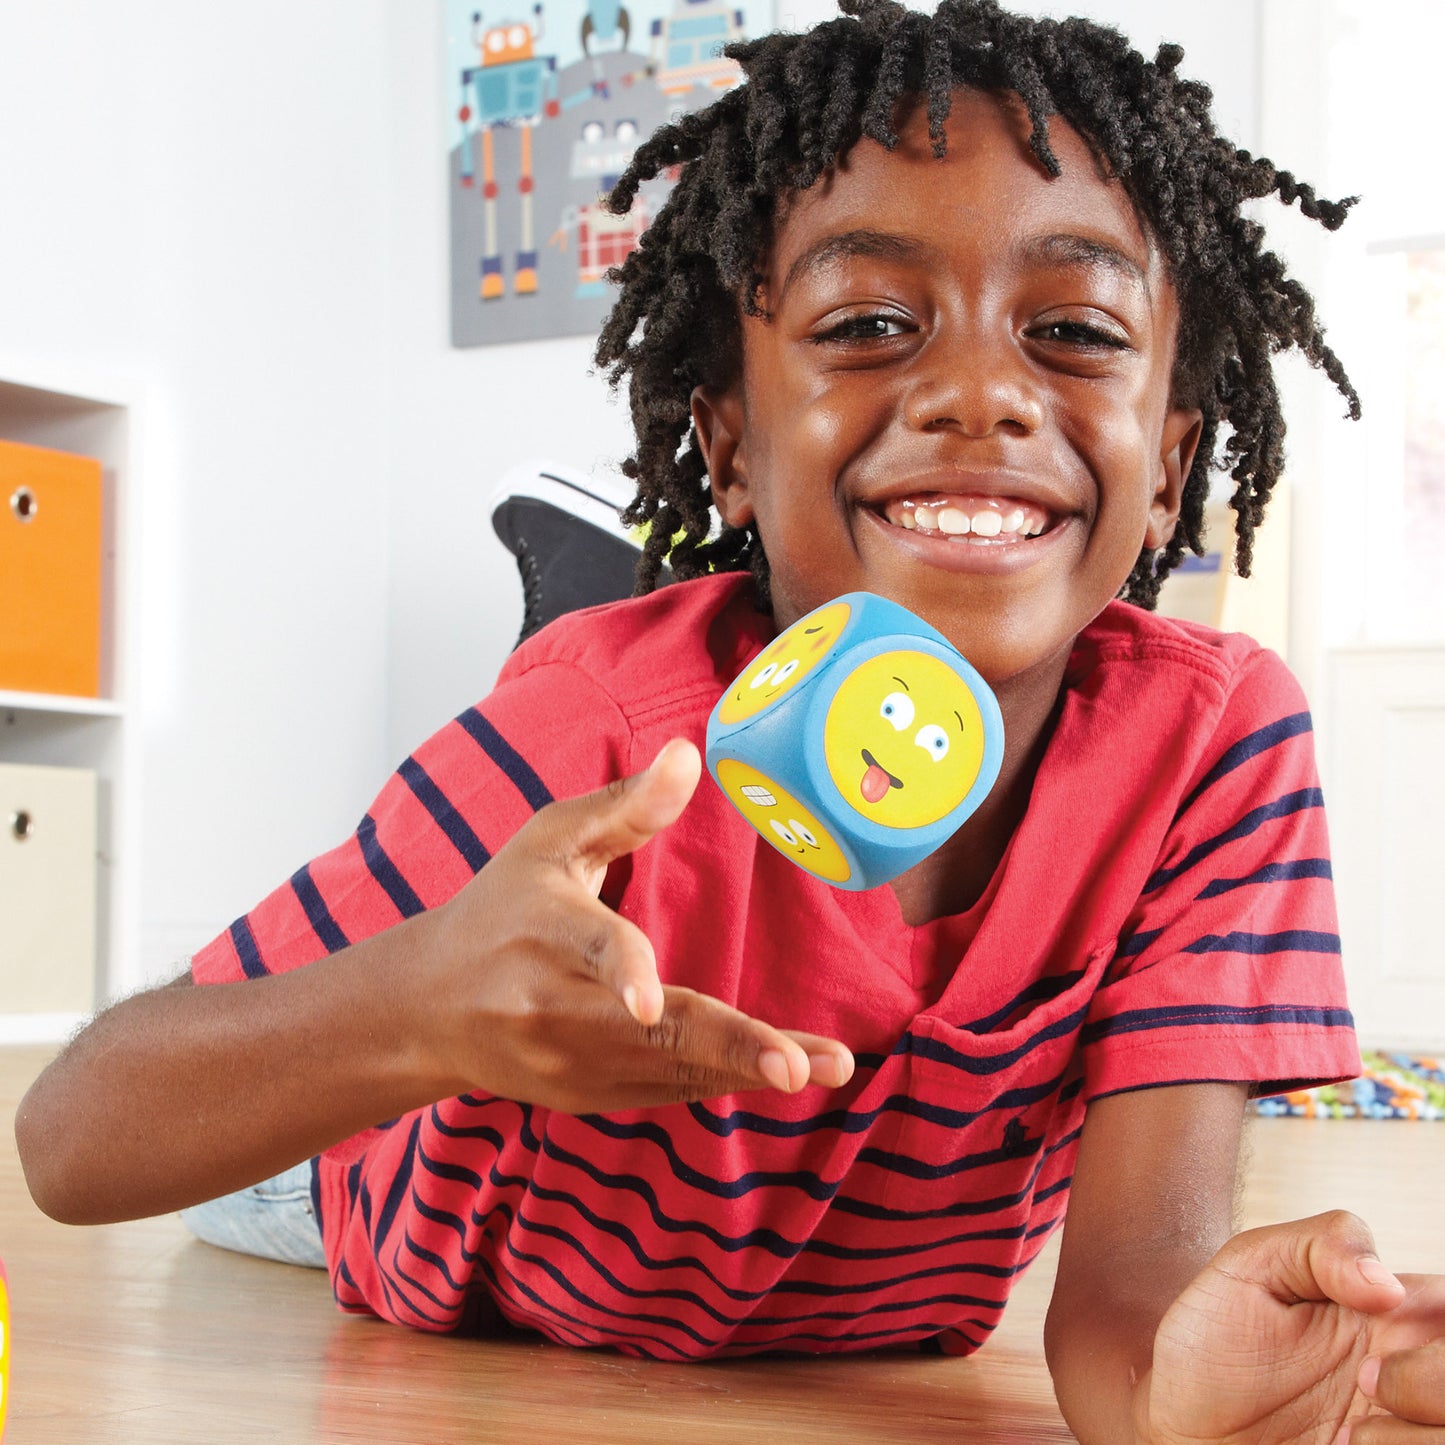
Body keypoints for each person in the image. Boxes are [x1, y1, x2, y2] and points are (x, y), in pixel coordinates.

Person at [17, 1, 1445, 1438]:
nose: (976, 392)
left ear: (1171, 460)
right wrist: (411, 1010)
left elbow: (1138, 1288)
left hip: (842, 1308)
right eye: (869, 325)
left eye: (1071, 331)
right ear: (727, 445)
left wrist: (1196, 1391)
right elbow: (73, 1138)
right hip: (410, 1212)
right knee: (277, 1155)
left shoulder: (1213, 744)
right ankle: (629, 600)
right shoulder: (592, 730)